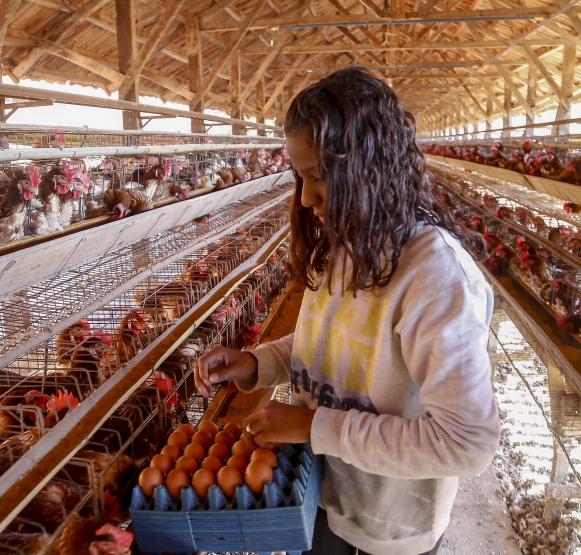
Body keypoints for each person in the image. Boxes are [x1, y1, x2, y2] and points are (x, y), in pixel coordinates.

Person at [195, 67, 501, 555]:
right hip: (323, 493)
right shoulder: (349, 244)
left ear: (370, 167)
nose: (306, 197)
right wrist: (260, 363)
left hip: (387, 527)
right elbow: (334, 345)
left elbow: (466, 443)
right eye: (299, 177)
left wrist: (315, 427)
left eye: (319, 176)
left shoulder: (437, 280)